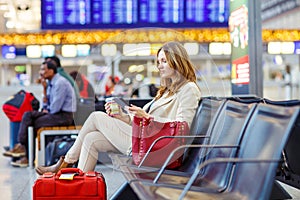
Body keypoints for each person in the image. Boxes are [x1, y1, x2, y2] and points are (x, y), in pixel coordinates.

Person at [35, 41, 201, 174]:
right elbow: (145, 124)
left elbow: (182, 128)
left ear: (178, 61)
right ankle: (81, 189)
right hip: (146, 141)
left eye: (164, 61)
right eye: (158, 62)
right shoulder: (166, 91)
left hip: (157, 148)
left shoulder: (189, 89)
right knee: (91, 139)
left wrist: (147, 117)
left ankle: (66, 163)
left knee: (96, 117)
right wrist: (124, 117)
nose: (160, 65)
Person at [3, 61, 77, 167]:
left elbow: (55, 108)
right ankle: (22, 148)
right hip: (55, 114)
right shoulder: (50, 83)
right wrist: (44, 88)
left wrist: (46, 110)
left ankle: (25, 153)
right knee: (28, 115)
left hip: (64, 116)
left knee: (32, 121)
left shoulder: (60, 83)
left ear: (51, 71)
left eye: (43, 70)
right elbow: (46, 105)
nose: (41, 72)